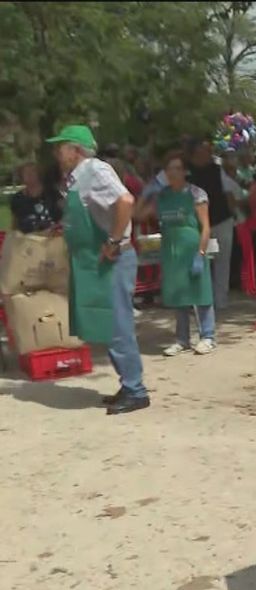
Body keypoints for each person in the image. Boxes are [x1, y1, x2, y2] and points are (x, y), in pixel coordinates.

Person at [47, 124, 149, 415]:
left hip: (113, 259)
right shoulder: (78, 177)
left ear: (75, 150)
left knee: (118, 324)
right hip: (97, 260)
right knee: (108, 323)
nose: (57, 152)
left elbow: (125, 201)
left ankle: (136, 390)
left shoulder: (95, 171)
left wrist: (114, 241)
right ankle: (128, 384)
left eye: (61, 146)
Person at [134, 151, 216, 356]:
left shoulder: (196, 194)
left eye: (177, 168)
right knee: (177, 294)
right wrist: (145, 193)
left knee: (200, 292)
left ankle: (208, 336)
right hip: (171, 250)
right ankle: (182, 339)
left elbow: (205, 227)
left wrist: (201, 252)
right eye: (169, 168)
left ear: (185, 171)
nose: (173, 172)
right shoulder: (161, 197)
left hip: (193, 247)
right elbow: (137, 215)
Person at [184, 140, 236, 315]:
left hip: (221, 220)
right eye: (204, 149)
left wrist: (232, 213)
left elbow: (229, 191)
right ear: (195, 152)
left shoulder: (217, 169)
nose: (208, 152)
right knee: (197, 260)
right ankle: (197, 299)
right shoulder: (186, 171)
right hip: (197, 224)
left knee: (222, 262)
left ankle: (220, 300)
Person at [9, 162, 62, 233]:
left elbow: (66, 215)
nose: (29, 174)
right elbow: (15, 224)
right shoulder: (17, 198)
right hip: (26, 240)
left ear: (39, 174)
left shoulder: (53, 194)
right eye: (26, 172)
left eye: (32, 171)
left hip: (53, 237)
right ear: (21, 176)